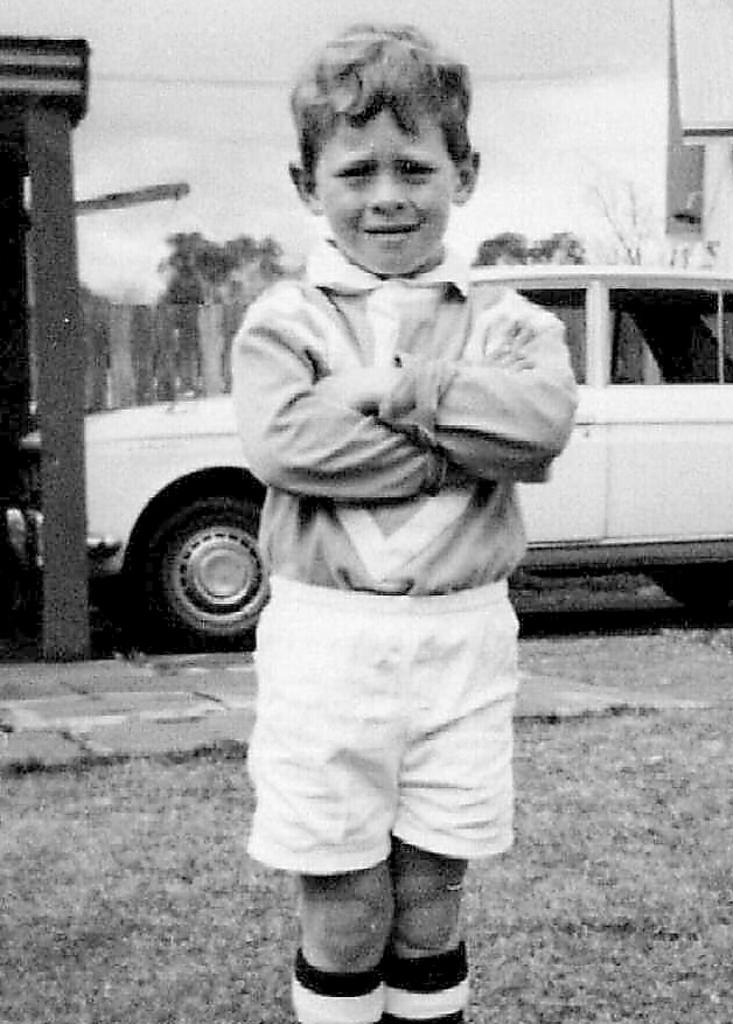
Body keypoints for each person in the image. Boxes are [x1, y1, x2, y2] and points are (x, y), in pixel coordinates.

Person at [232, 23, 577, 1024]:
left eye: (416, 165)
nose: (389, 192)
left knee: (430, 900)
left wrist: (390, 389)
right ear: (310, 185)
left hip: (463, 639)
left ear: (462, 172)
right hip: (328, 644)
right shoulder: (283, 319)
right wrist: (461, 441)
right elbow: (289, 447)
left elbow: (540, 427)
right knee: (345, 905)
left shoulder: (512, 320)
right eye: (357, 169)